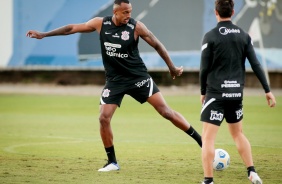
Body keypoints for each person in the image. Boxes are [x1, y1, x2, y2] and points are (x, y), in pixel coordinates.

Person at [26, 0, 202, 172]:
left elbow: (157, 45)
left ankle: (203, 143)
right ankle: (112, 162)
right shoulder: (100, 24)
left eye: (130, 11)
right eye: (125, 12)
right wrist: (44, 34)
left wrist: (171, 67)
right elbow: (71, 28)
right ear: (115, 12)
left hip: (137, 77)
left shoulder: (136, 27)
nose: (129, 15)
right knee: (103, 118)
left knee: (166, 112)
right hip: (115, 81)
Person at [199, 0, 276, 183]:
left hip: (216, 94)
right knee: (238, 133)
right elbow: (256, 64)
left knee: (208, 138)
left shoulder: (210, 36)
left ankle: (208, 180)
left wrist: (203, 91)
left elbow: (203, 68)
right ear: (233, 12)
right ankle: (252, 171)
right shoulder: (244, 36)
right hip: (235, 94)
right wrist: (267, 90)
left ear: (216, 12)